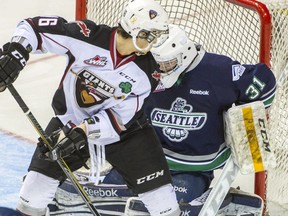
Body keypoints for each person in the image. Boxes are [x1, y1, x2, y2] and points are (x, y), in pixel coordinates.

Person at [0, 0, 182, 215]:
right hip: (68, 124)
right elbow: (32, 27)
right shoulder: (86, 36)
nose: (153, 42)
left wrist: (84, 131)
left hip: (128, 133)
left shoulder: (150, 70)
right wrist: (15, 54)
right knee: (32, 195)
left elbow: (121, 118)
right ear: (135, 30)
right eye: (149, 35)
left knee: (163, 203)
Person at [96, 24, 276, 215]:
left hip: (192, 168)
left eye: (168, 64)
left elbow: (264, 82)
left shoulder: (217, 71)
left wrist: (246, 118)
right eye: (158, 63)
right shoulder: (145, 67)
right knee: (105, 202)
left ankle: (224, 201)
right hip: (145, 159)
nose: (161, 70)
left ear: (185, 54)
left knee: (170, 209)